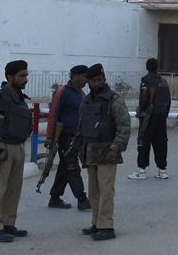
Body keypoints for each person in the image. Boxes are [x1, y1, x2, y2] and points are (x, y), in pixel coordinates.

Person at [0, 60, 33, 243]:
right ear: (10, 77)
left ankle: (8, 223)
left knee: (14, 188)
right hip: (1, 148)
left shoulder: (20, 97)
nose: (25, 79)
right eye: (21, 75)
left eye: (26, 75)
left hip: (18, 147)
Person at [79, 64, 130, 241]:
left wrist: (115, 148)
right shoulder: (87, 100)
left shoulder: (114, 100)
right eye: (93, 81)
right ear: (88, 82)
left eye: (99, 80)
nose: (97, 83)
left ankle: (106, 226)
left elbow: (124, 126)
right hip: (91, 151)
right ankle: (96, 222)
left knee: (106, 191)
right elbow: (82, 125)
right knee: (93, 191)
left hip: (107, 152)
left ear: (104, 79)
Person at [45, 65, 91, 210]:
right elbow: (53, 115)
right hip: (64, 137)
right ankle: (82, 198)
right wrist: (50, 137)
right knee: (72, 166)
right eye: (84, 76)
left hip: (76, 137)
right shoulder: (62, 92)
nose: (86, 80)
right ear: (75, 76)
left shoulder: (81, 94)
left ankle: (55, 197)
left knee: (65, 166)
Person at [130, 57, 172, 180]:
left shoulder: (146, 81)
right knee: (161, 142)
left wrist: (141, 110)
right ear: (157, 67)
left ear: (147, 67)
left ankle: (141, 171)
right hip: (161, 115)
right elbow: (168, 100)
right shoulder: (164, 81)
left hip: (148, 116)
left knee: (144, 142)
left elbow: (144, 98)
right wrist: (165, 114)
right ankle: (162, 170)